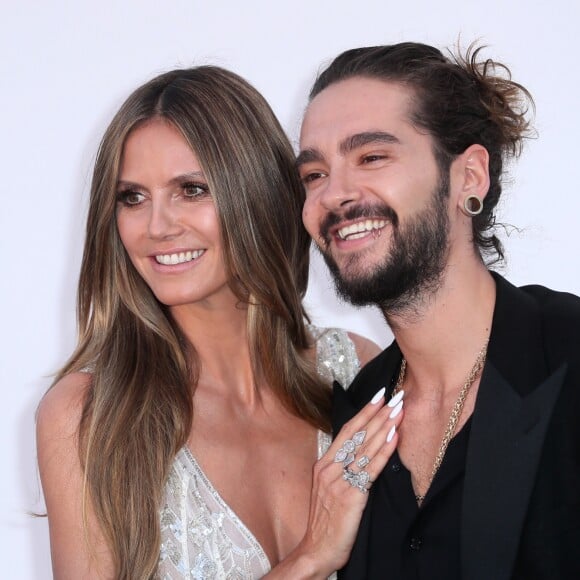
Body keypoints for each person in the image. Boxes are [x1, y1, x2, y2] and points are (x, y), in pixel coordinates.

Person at [36, 66, 405, 579]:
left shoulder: (355, 368)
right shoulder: (90, 416)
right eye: (132, 197)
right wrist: (311, 558)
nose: (158, 226)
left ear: (255, 193)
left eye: (191, 189)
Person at [297, 42, 580, 579]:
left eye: (372, 157)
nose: (334, 194)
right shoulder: (354, 416)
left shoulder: (568, 354)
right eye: (314, 174)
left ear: (469, 177)